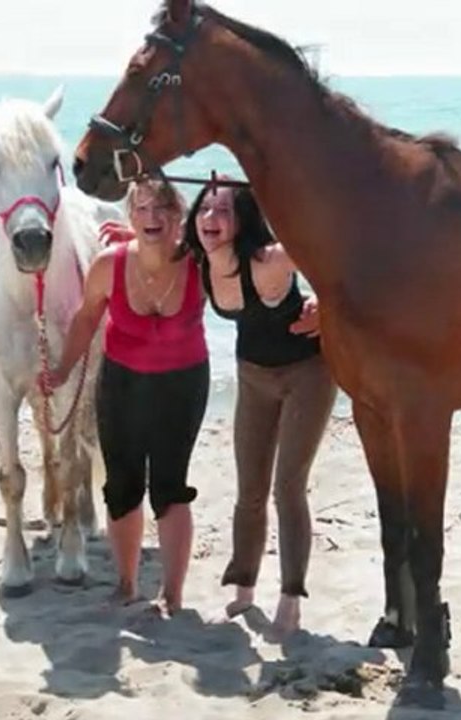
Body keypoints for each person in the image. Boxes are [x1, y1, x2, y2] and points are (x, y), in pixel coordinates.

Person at [181, 180, 338, 637]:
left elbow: (332, 250)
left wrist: (326, 306)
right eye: (204, 210)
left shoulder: (269, 260)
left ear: (244, 219)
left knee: (288, 487)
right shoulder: (199, 261)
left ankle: (291, 598)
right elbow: (150, 248)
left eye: (224, 211)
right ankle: (243, 591)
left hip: (307, 375)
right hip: (252, 377)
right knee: (249, 489)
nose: (211, 219)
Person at [46, 178, 209, 616]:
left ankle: (173, 594)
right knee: (122, 485)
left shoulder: (200, 262)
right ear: (129, 216)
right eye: (142, 209)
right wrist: (61, 369)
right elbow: (84, 321)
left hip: (183, 384)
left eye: (163, 209)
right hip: (121, 384)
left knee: (171, 488)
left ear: (179, 216)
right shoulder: (109, 264)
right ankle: (127, 583)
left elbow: (244, 279)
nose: (152, 218)